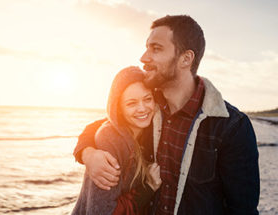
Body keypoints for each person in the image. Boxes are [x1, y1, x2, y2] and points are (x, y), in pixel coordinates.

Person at [74, 15, 260, 214]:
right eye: (147, 47)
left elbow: (243, 209)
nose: (144, 57)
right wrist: (88, 153)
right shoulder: (149, 108)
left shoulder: (231, 126)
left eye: (156, 48)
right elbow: (108, 124)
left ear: (186, 59)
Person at [72, 66, 162, 215]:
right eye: (131, 103)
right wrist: (148, 188)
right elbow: (102, 212)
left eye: (147, 99)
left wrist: (86, 152)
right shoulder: (111, 140)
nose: (142, 108)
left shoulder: (150, 128)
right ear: (118, 108)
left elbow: (93, 127)